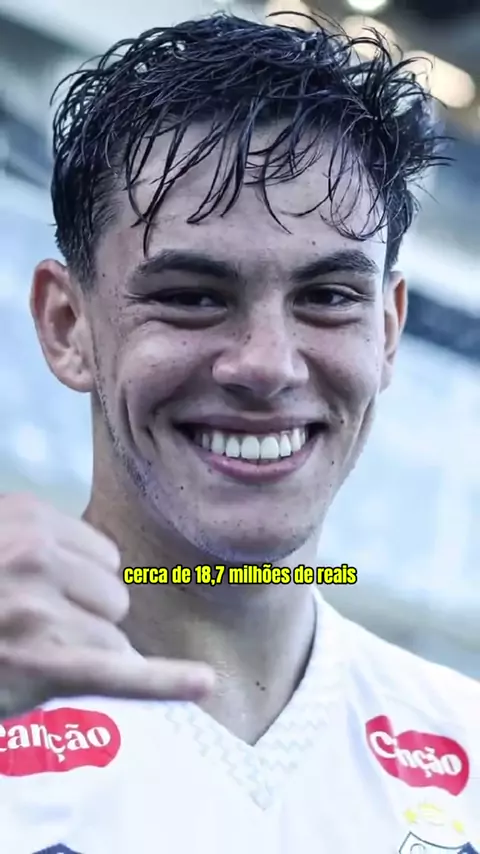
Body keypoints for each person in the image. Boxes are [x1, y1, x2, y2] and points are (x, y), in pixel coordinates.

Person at [0, 12, 478, 854]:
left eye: (328, 297)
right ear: (68, 326)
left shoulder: (464, 741)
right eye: (191, 296)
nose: (268, 365)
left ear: (388, 333)